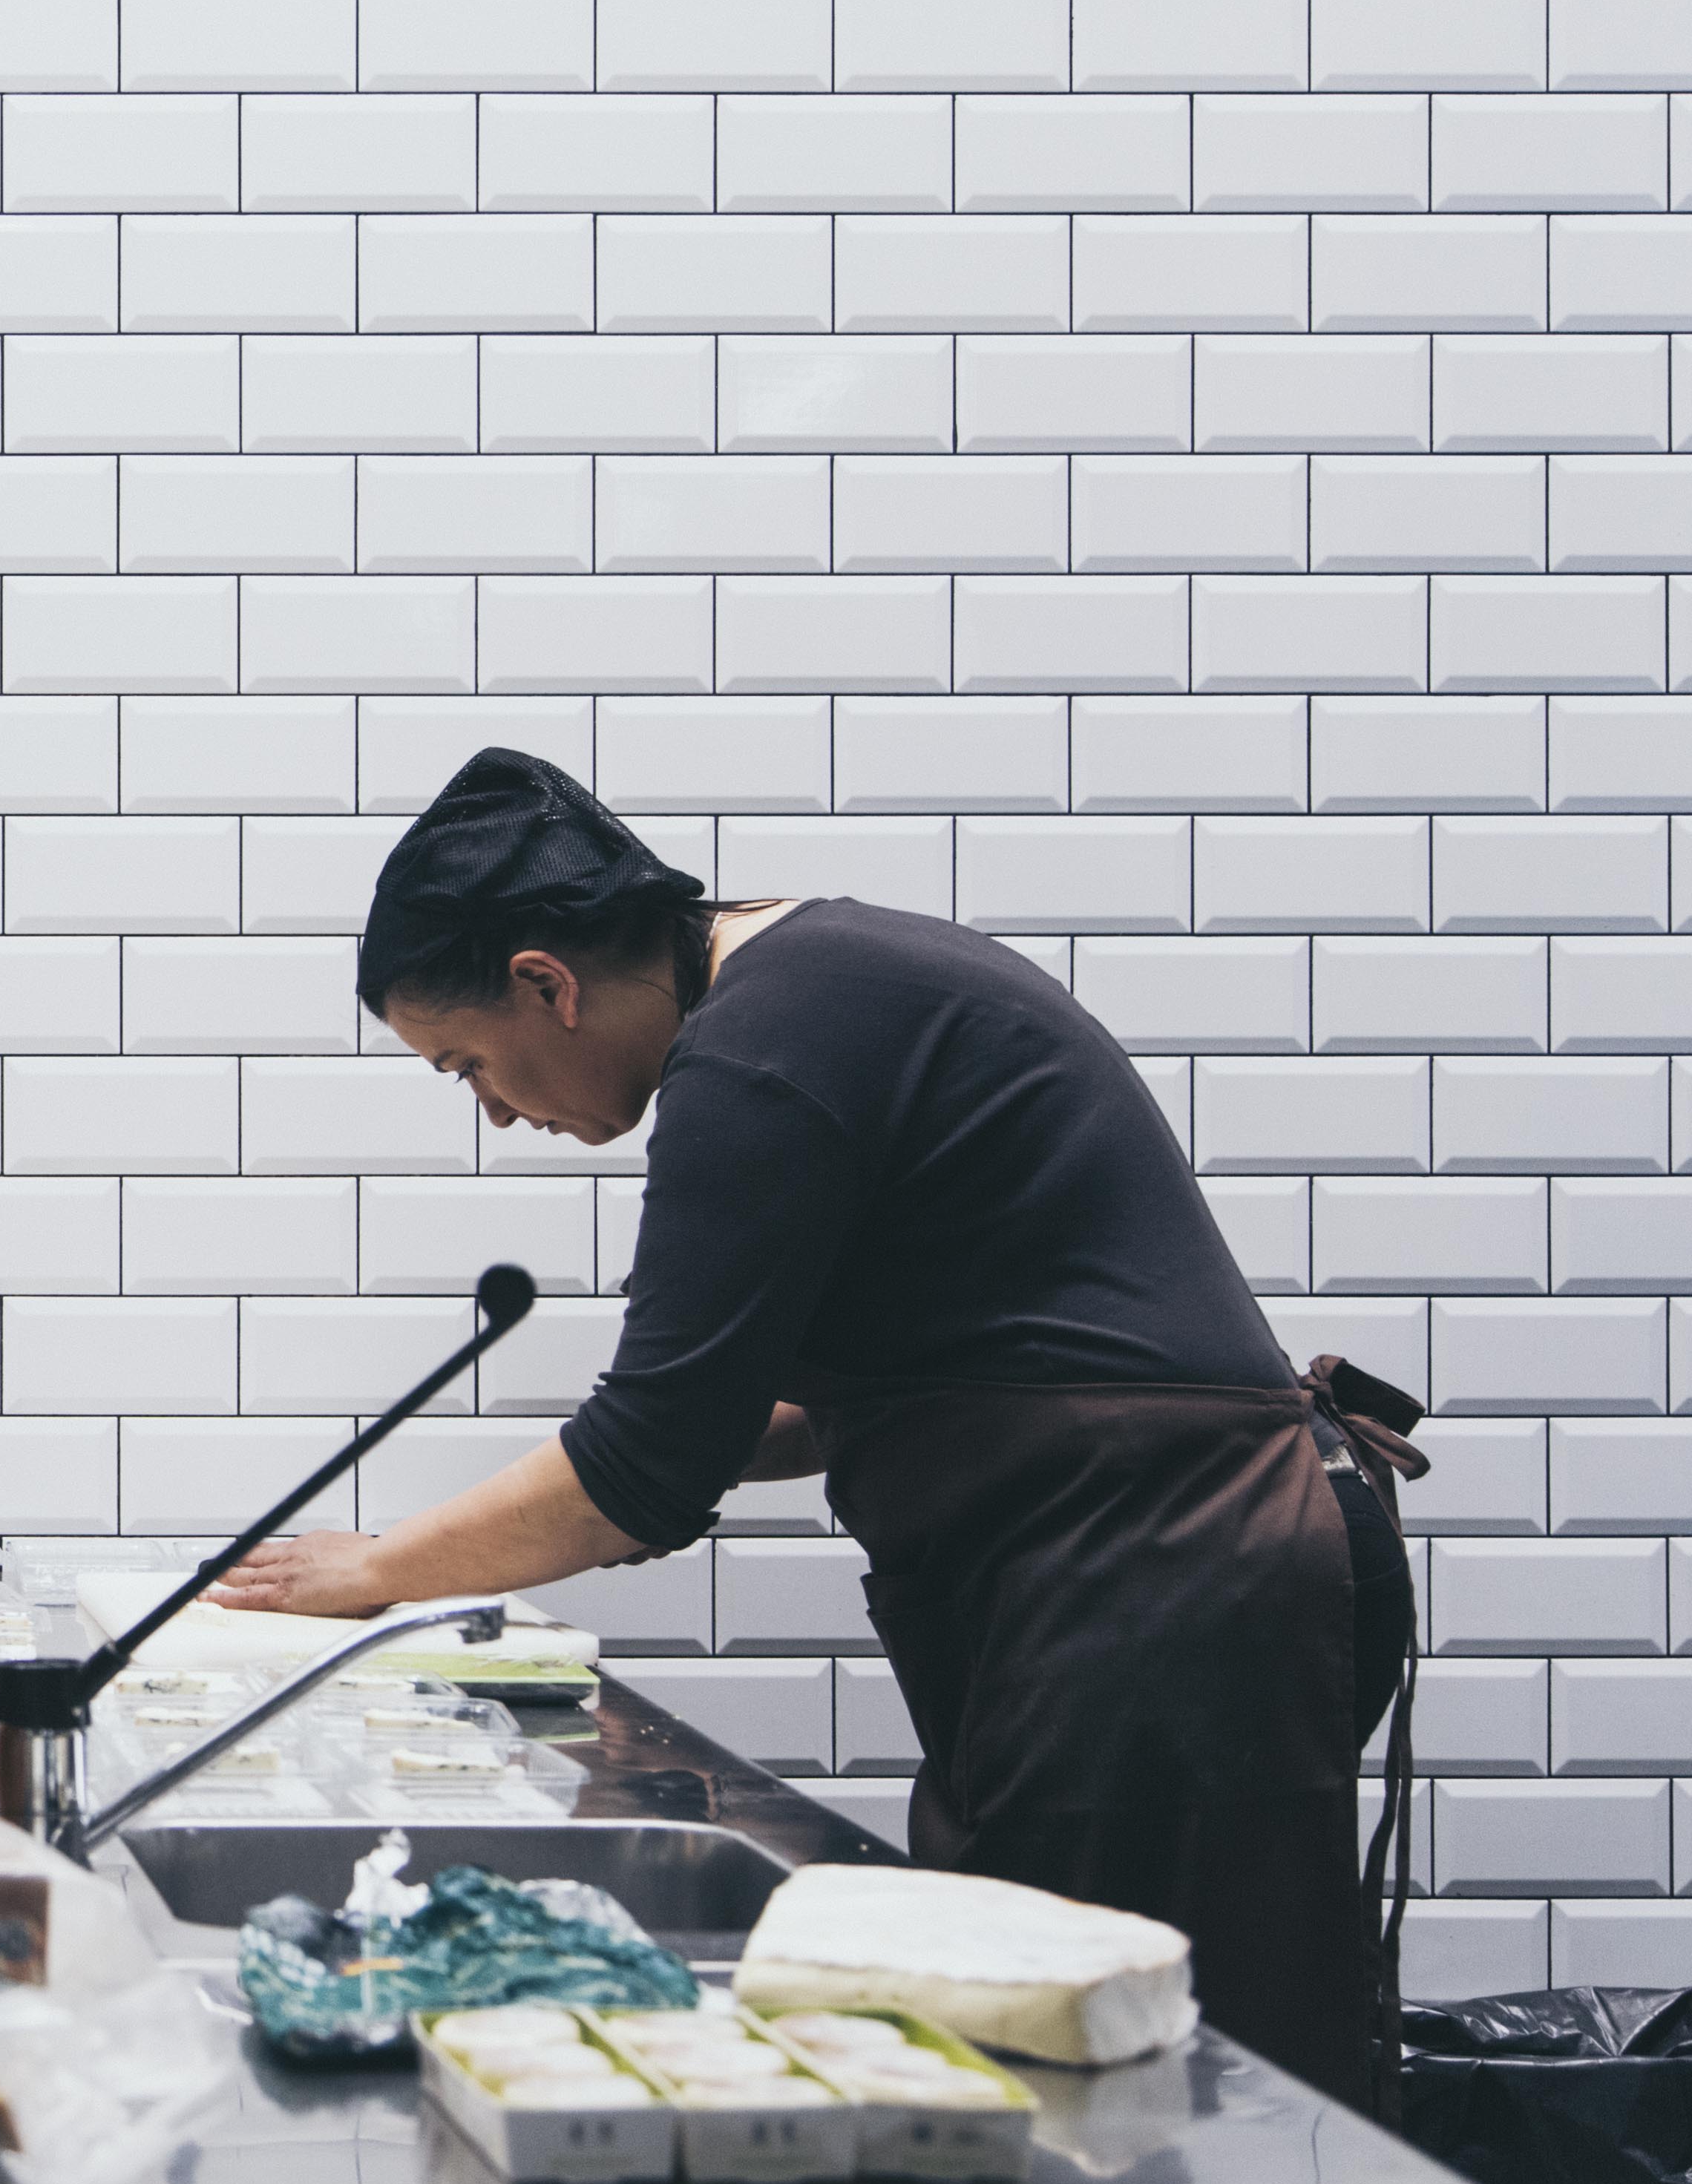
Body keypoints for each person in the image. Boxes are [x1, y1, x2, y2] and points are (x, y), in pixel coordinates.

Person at [214, 747, 1422, 2109]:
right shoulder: (801, 994)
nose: (496, 1109)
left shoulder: (759, 1052)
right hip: (1153, 1576)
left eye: (467, 1065)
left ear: (544, 982)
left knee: (1144, 2092)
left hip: (1166, 1579)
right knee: (1079, 2063)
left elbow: (645, 1469)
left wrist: (375, 1568)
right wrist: (656, 1431)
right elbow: (790, 1413)